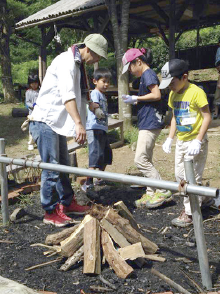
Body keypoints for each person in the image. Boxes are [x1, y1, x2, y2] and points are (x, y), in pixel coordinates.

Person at [29, 34, 108, 227]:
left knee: (64, 165)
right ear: (89, 49)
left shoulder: (77, 65)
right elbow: (67, 96)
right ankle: (50, 211)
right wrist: (79, 124)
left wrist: (93, 106)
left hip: (56, 122)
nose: (96, 61)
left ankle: (67, 202)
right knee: (52, 167)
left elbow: (80, 95)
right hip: (46, 120)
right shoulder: (66, 62)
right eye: (97, 56)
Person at [159, 59, 212, 227]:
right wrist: (170, 138)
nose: (170, 86)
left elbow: (207, 116)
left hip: (195, 141)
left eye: (172, 82)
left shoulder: (196, 93)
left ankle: (190, 213)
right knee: (179, 176)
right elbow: (175, 117)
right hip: (181, 141)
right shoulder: (173, 94)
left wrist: (198, 140)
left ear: (184, 77)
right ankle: (203, 198)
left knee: (191, 178)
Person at [121, 47, 172, 209]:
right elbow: (151, 98)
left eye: (130, 67)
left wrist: (136, 97)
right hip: (148, 121)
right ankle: (151, 193)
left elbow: (157, 95)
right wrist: (137, 100)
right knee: (147, 159)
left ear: (138, 61)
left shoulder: (148, 74)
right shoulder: (145, 75)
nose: (130, 71)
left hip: (150, 123)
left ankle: (163, 189)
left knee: (140, 160)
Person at [81, 68, 113, 195]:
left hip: (102, 128)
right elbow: (92, 105)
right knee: (95, 155)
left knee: (106, 155)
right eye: (103, 81)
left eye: (108, 82)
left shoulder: (103, 95)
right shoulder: (94, 93)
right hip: (94, 128)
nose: (106, 84)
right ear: (95, 81)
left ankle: (98, 177)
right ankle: (88, 183)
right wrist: (97, 110)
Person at [25, 74, 40, 150]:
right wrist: (33, 105)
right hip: (32, 113)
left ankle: (38, 141)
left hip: (40, 112)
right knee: (32, 128)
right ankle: (31, 143)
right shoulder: (28, 92)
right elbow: (27, 102)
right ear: (30, 84)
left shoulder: (40, 91)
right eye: (32, 83)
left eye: (36, 83)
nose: (34, 85)